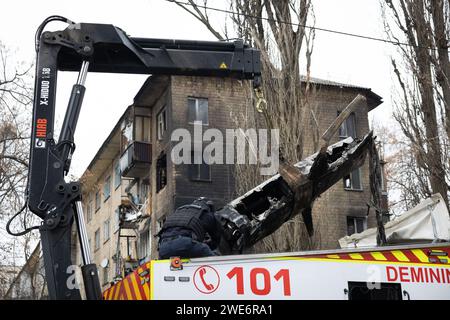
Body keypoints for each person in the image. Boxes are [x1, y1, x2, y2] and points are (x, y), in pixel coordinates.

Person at [158, 197, 222, 259]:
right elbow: (216, 239)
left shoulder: (179, 211)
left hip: (163, 248)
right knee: (210, 256)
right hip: (184, 244)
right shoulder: (206, 214)